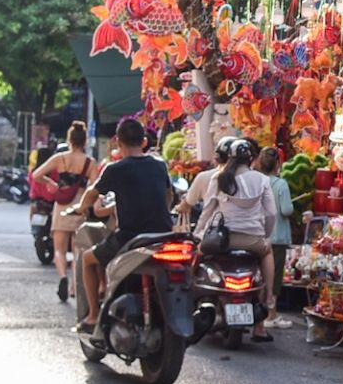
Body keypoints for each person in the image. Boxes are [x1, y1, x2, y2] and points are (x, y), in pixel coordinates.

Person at [70, 119, 174, 334]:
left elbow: (92, 193)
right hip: (163, 236)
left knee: (87, 259)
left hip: (130, 237)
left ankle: (92, 316)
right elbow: (169, 196)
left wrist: (81, 207)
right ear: (143, 141)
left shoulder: (115, 168)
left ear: (118, 141)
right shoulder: (159, 165)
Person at [194, 138, 278, 342]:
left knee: (195, 257)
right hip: (253, 241)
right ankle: (267, 302)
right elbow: (271, 214)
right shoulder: (261, 180)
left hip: (222, 241)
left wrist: (198, 234)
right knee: (267, 253)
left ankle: (189, 302)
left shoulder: (220, 178)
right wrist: (264, 236)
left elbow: (208, 211)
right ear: (251, 159)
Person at [32, 122, 97, 303]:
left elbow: (37, 174)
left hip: (61, 206)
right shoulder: (90, 162)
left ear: (69, 140)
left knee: (59, 250)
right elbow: (96, 187)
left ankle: (62, 277)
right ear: (84, 141)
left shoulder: (60, 158)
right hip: (80, 207)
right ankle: (74, 288)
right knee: (78, 251)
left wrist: (51, 184)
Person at [258, 146, 298, 330]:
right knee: (274, 278)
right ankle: (271, 314)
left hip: (259, 235)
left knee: (260, 276)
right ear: (277, 164)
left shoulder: (257, 181)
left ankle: (260, 313)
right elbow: (287, 209)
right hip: (277, 236)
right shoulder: (281, 185)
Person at [177, 137, 234, 228]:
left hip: (213, 233)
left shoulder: (207, 177)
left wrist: (178, 208)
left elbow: (187, 203)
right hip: (250, 233)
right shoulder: (253, 178)